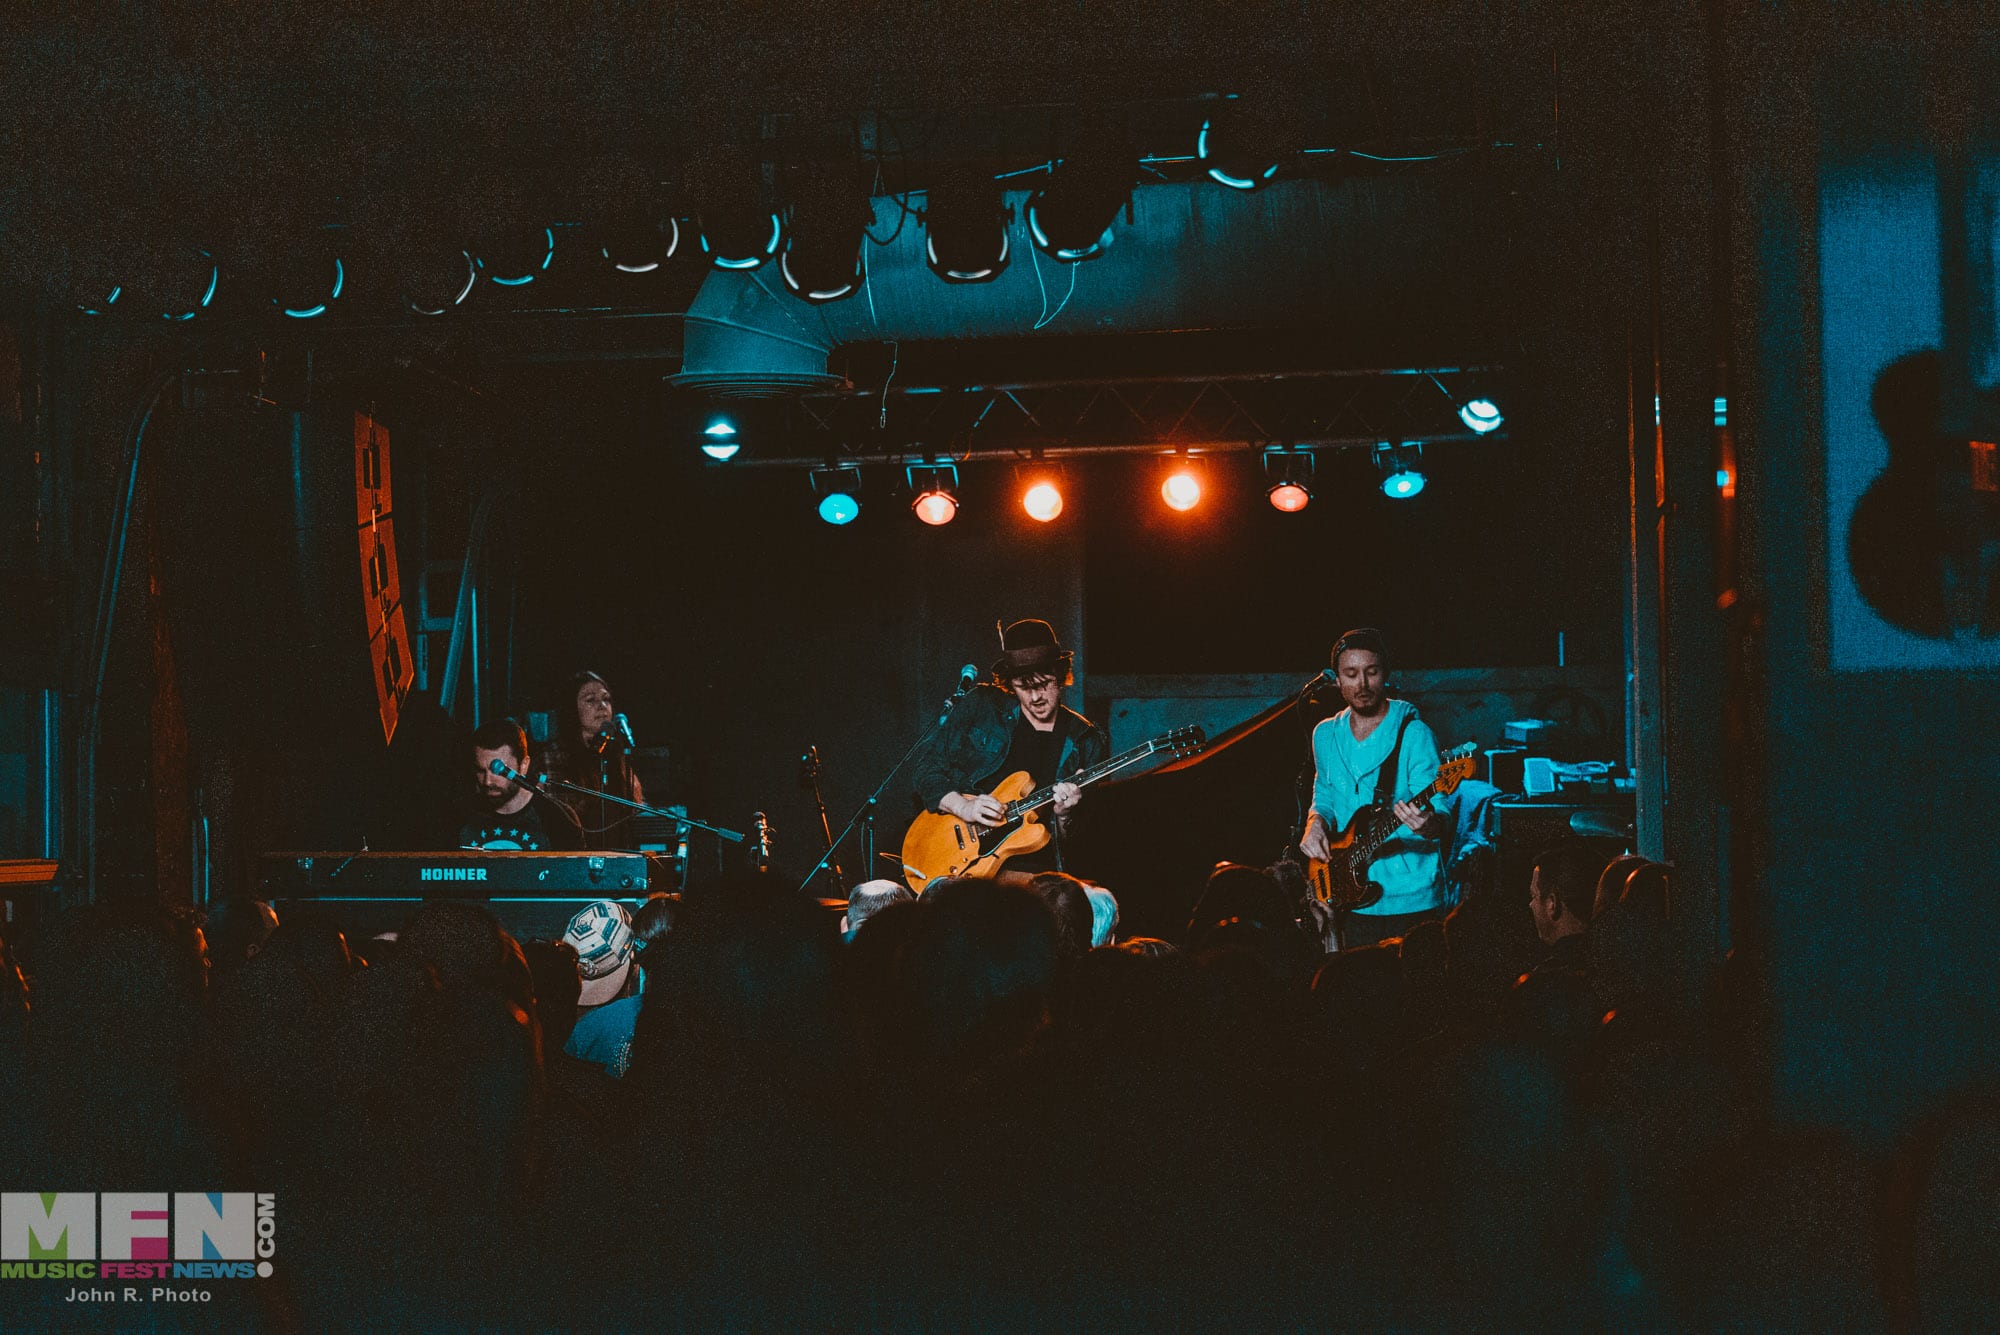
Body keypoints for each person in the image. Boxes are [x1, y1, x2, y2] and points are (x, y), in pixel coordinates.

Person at [910, 618, 1110, 877]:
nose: (1035, 697)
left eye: (1044, 684)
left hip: (1036, 871)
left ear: (1060, 676)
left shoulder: (1086, 739)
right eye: (1023, 687)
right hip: (961, 861)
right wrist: (964, 807)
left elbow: (1082, 842)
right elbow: (926, 769)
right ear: (1010, 684)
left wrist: (1065, 815)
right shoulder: (981, 706)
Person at [1298, 627, 1448, 950]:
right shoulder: (1324, 735)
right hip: (1347, 896)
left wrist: (1428, 825)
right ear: (1337, 680)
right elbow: (1324, 794)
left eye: (1372, 672)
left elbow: (1440, 812)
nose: (1362, 685)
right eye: (1351, 674)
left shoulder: (1415, 734)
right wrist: (1315, 823)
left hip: (1410, 899)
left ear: (1386, 675)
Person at [541, 670, 646, 849]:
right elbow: (560, 814)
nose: (602, 706)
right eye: (590, 700)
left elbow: (634, 809)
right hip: (577, 853)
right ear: (573, 709)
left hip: (618, 853)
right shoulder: (556, 754)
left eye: (606, 699)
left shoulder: (617, 752)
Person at [460, 718, 583, 851]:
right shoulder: (462, 815)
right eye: (480, 770)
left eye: (498, 770)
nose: (487, 781)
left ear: (523, 765)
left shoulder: (556, 817)